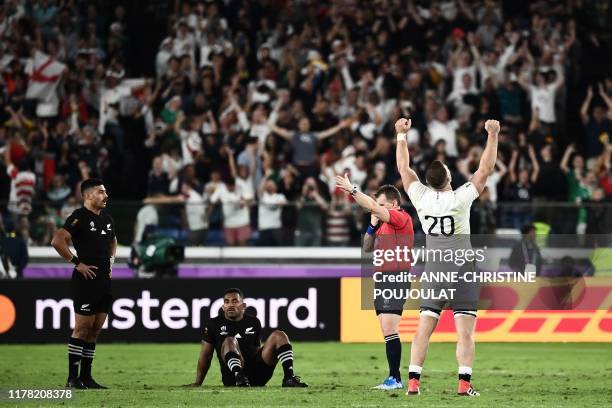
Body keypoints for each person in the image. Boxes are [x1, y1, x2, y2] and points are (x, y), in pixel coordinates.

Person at [395, 117, 501, 396]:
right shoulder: (460, 198)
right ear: (449, 178)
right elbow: (486, 168)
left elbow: (404, 168)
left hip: (434, 271)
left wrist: (401, 136)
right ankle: (464, 385)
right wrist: (493, 134)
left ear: (427, 181)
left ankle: (414, 382)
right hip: (463, 269)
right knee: (465, 332)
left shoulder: (421, 197)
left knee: (424, 329)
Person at [335, 176, 414, 390]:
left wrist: (353, 190)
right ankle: (394, 378)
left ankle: (395, 379)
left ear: (394, 204)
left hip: (395, 277)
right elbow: (368, 248)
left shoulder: (399, 217)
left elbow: (369, 204)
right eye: (376, 205)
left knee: (390, 328)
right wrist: (371, 226)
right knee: (386, 329)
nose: (376, 209)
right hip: (382, 279)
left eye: (380, 205)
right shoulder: (382, 224)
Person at [51, 178, 116, 389]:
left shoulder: (107, 219)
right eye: (100, 192)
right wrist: (76, 263)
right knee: (82, 328)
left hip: (104, 281)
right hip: (85, 281)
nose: (105, 196)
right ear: (88, 195)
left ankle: (87, 378)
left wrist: (112, 262)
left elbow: (113, 241)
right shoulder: (78, 217)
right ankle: (72, 378)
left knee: (95, 330)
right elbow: (57, 240)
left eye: (105, 192)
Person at [183, 288, 307, 388]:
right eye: (227, 302)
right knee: (229, 340)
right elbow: (206, 355)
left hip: (257, 375)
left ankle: (289, 378)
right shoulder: (213, 324)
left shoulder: (254, 322)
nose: (230, 305)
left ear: (243, 305)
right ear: (223, 307)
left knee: (279, 335)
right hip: (232, 378)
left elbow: (258, 350)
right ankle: (239, 376)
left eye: (235, 301)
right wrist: (198, 382)